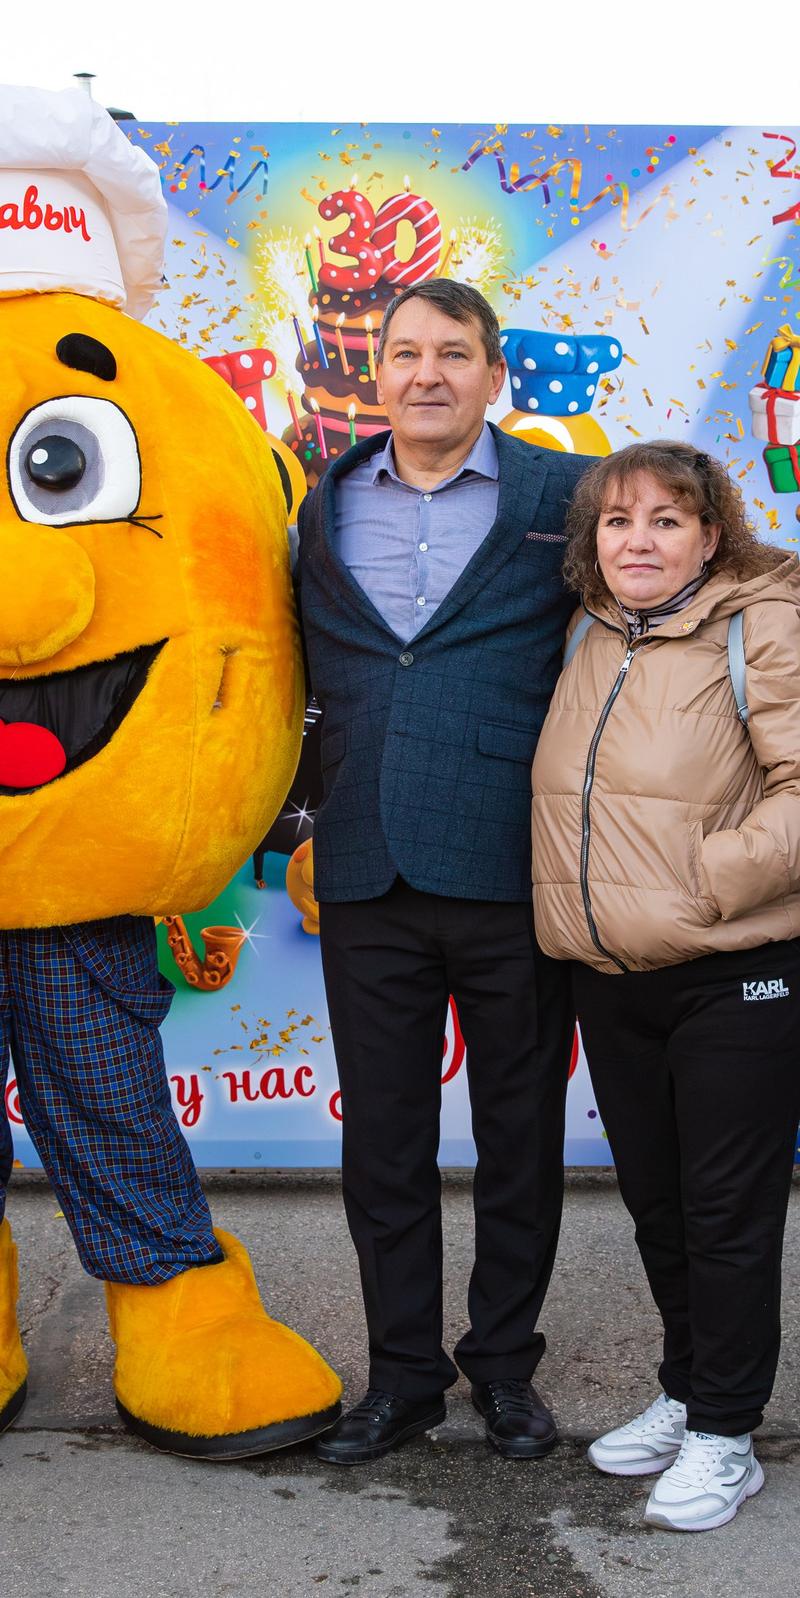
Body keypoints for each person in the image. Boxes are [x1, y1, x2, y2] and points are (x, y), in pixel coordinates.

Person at [530, 442, 800, 1530]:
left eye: (667, 521)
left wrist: (705, 882)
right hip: (616, 973)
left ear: (710, 535)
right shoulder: (589, 631)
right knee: (660, 1204)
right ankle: (686, 1390)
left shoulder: (757, 625)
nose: (640, 541)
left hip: (738, 969)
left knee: (725, 1212)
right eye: (620, 522)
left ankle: (727, 1432)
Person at [295, 277, 598, 1465]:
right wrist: (290, 822)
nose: (426, 373)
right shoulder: (318, 501)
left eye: (452, 353)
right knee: (382, 1141)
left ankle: (506, 1373)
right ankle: (402, 1378)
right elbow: (281, 667)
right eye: (404, 352)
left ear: (491, 373)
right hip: (365, 859)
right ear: (377, 373)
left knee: (519, 1133)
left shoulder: (562, 495)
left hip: (511, 860)